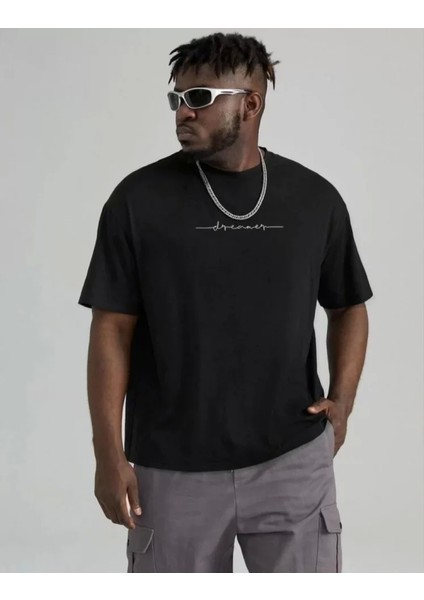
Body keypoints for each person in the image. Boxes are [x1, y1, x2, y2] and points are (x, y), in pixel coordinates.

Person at [78, 32, 373, 573]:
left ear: (251, 104)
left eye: (199, 98)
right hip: (172, 469)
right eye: (177, 98)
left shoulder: (314, 199)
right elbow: (111, 330)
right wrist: (107, 453)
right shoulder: (137, 201)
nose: (182, 113)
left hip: (292, 460)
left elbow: (349, 304)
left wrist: (343, 399)